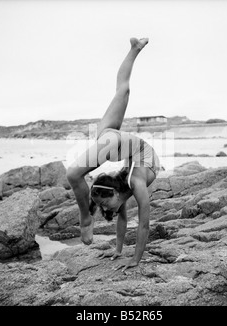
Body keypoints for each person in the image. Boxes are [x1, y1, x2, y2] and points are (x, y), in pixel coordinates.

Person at [67, 37, 160, 272]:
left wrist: (135, 259)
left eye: (103, 206)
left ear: (116, 192)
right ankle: (135, 49)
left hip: (115, 142)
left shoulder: (134, 182)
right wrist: (118, 251)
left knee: (73, 174)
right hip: (118, 142)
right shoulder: (127, 183)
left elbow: (145, 224)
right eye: (102, 207)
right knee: (123, 89)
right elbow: (123, 219)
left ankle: (85, 218)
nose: (106, 210)